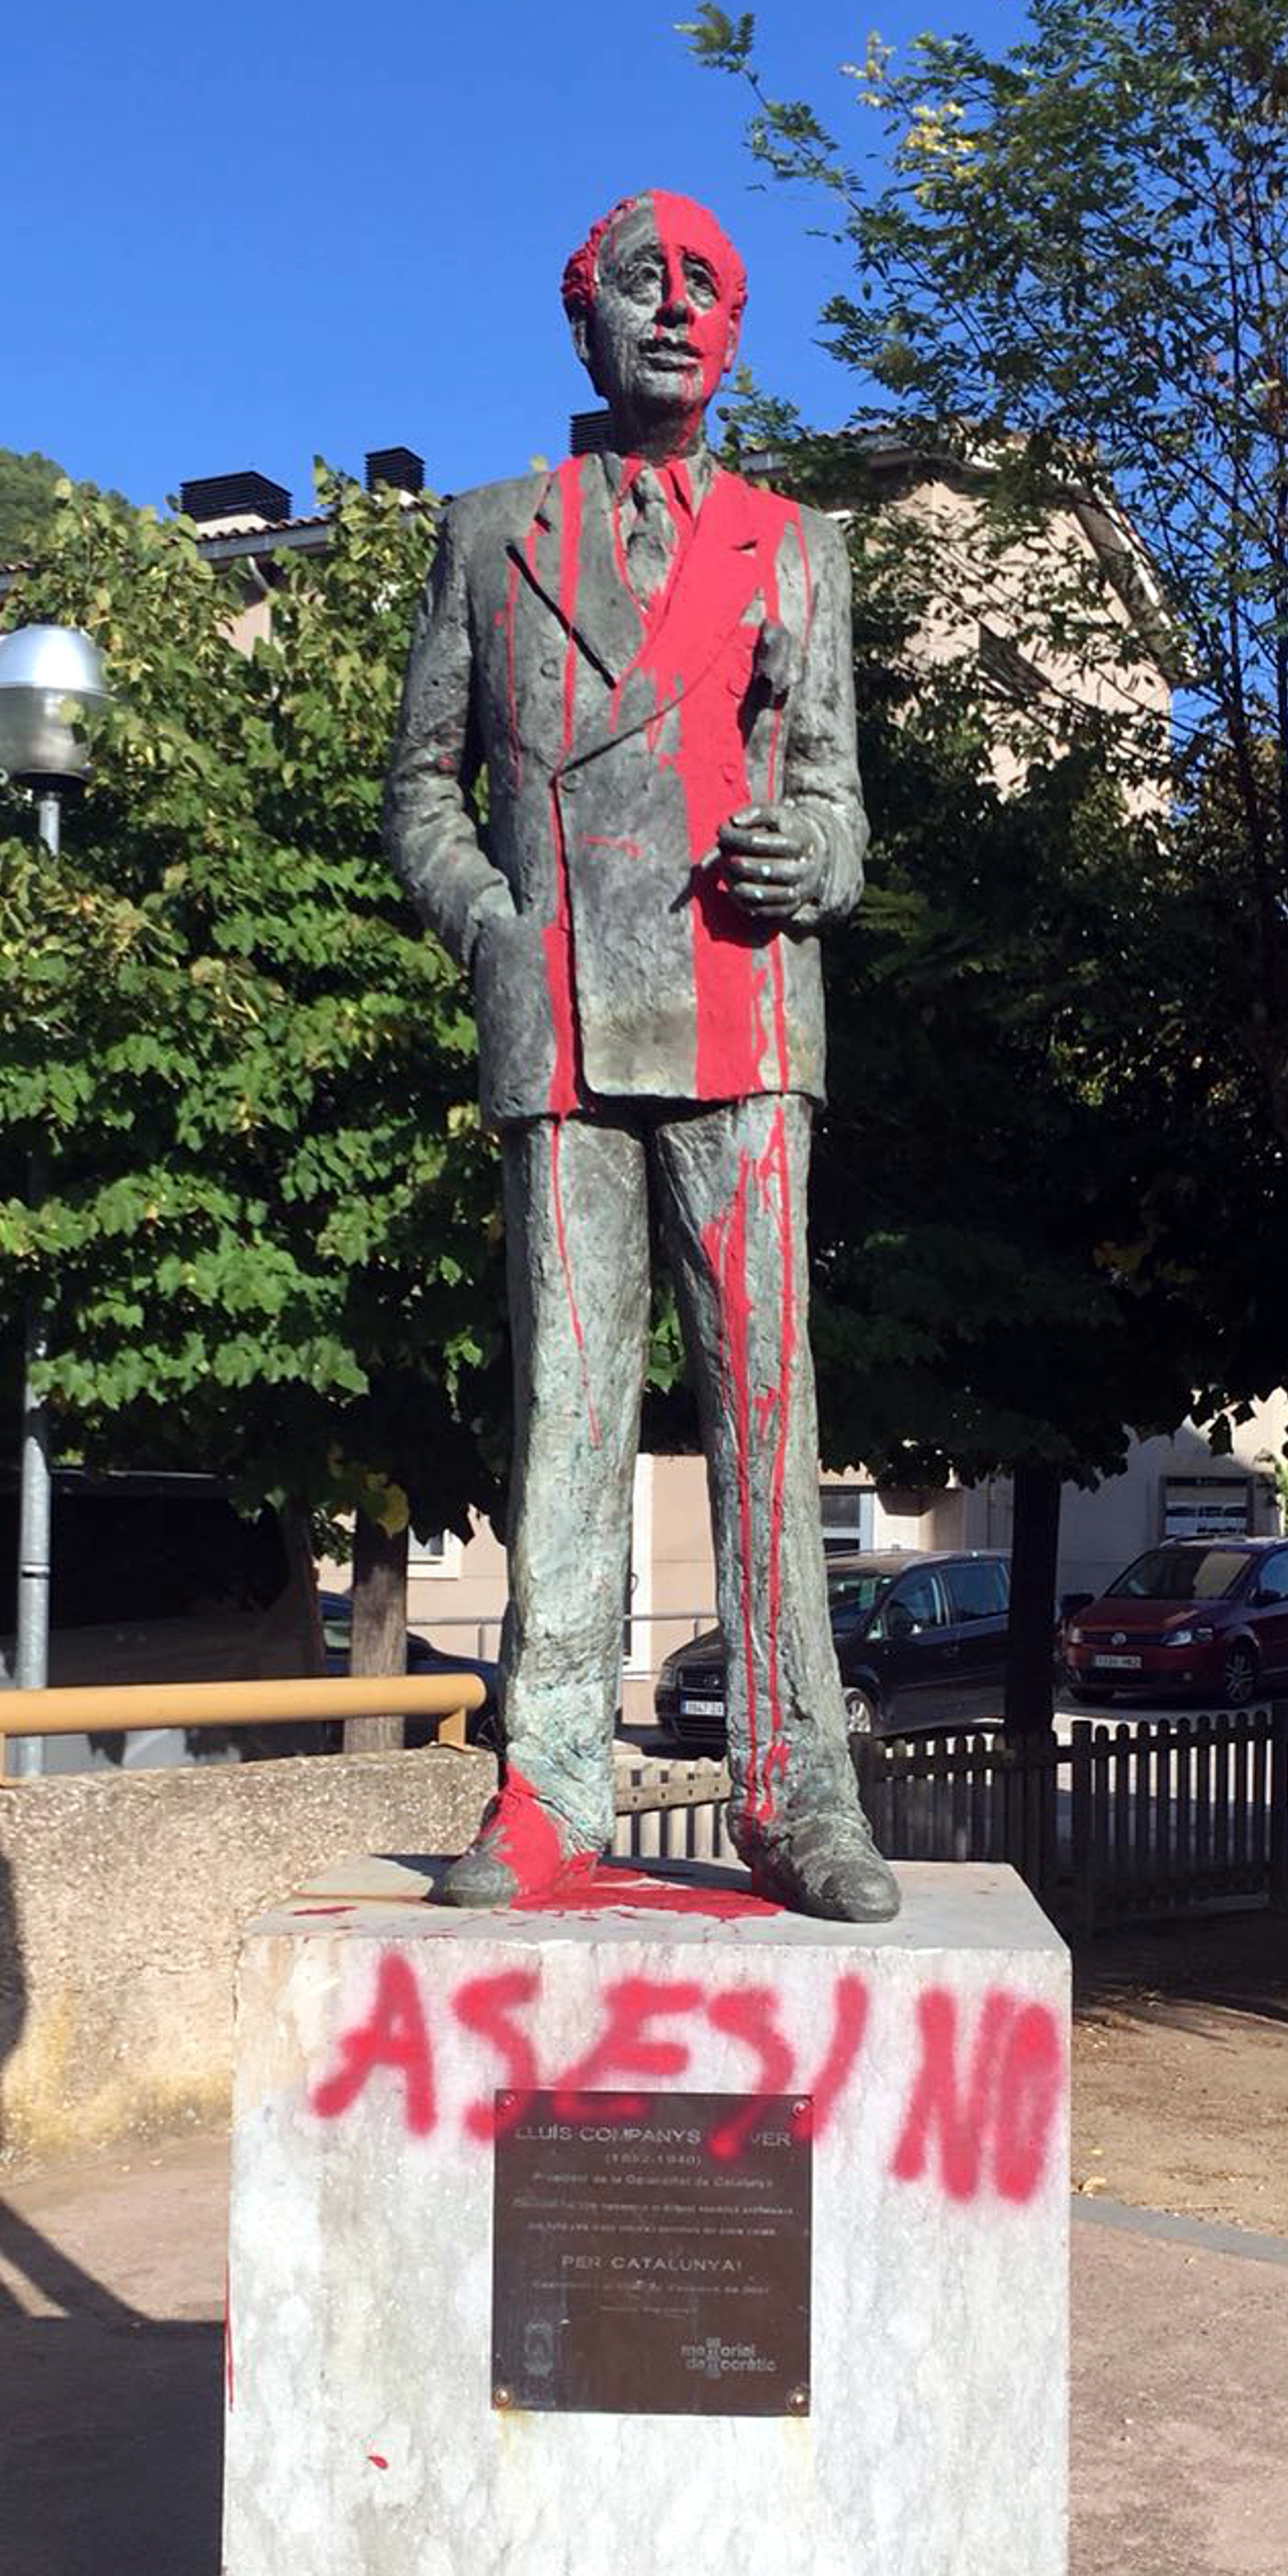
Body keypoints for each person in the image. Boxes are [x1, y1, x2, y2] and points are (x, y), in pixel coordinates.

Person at [383, 188, 897, 1923]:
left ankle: (796, 1796)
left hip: (745, 1011)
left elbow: (836, 798)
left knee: (767, 1409)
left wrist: (811, 858)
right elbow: (419, 793)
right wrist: (490, 925)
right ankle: (547, 1790)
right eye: (641, 286)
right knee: (568, 1414)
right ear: (579, 315)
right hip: (566, 1018)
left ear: (735, 327)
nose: (675, 312)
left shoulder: (796, 542)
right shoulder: (485, 532)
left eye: (708, 288)